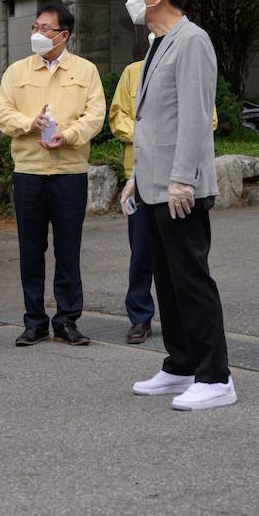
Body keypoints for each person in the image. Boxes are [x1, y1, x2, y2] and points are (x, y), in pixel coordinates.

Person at [121, 0, 235, 411]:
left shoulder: (192, 40)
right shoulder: (158, 44)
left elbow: (193, 116)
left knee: (191, 279)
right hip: (152, 184)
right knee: (165, 281)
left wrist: (182, 179)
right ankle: (181, 364)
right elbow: (153, 120)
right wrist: (134, 178)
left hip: (179, 187)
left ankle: (216, 376)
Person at [0, 3, 105, 348]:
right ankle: (34, 321)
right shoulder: (17, 71)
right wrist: (30, 124)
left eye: (45, 29)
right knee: (31, 249)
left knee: (68, 249)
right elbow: (1, 111)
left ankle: (68, 321)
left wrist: (67, 135)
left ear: (63, 35)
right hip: (28, 172)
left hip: (69, 172)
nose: (37, 34)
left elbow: (95, 114)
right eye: (34, 28)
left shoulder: (85, 71)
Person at [109, 47, 217, 345]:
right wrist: (148, 137)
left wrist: (158, 137)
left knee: (184, 256)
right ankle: (140, 317)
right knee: (141, 252)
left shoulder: (188, 63)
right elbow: (118, 117)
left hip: (179, 179)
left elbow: (207, 120)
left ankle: (184, 320)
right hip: (141, 177)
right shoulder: (133, 72)